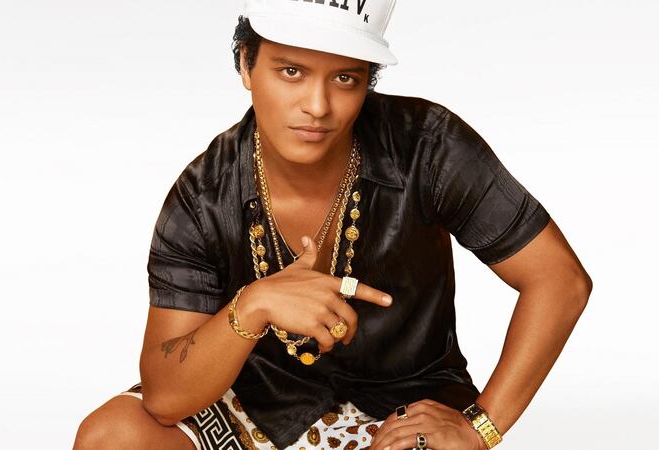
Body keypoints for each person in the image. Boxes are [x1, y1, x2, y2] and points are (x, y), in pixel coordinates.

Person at [73, 1, 592, 449]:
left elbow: (559, 280)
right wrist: (253, 305)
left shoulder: (427, 147)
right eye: (291, 72)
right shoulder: (204, 196)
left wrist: (481, 426)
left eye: (345, 78)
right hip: (254, 403)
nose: (317, 107)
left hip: (403, 409)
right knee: (111, 436)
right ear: (246, 64)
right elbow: (165, 396)